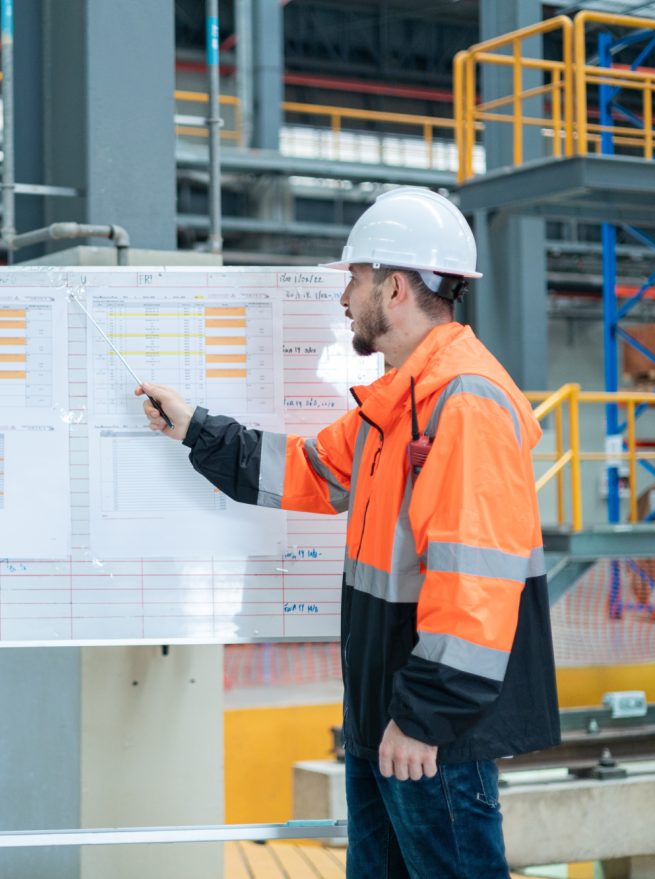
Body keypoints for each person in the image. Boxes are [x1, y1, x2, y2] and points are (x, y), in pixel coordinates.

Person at [139, 187, 560, 877]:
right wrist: (195, 429)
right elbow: (307, 470)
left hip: (429, 736)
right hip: (384, 718)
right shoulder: (397, 403)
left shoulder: (466, 402)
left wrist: (425, 716)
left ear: (394, 288)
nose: (343, 297)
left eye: (354, 279)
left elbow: (477, 585)